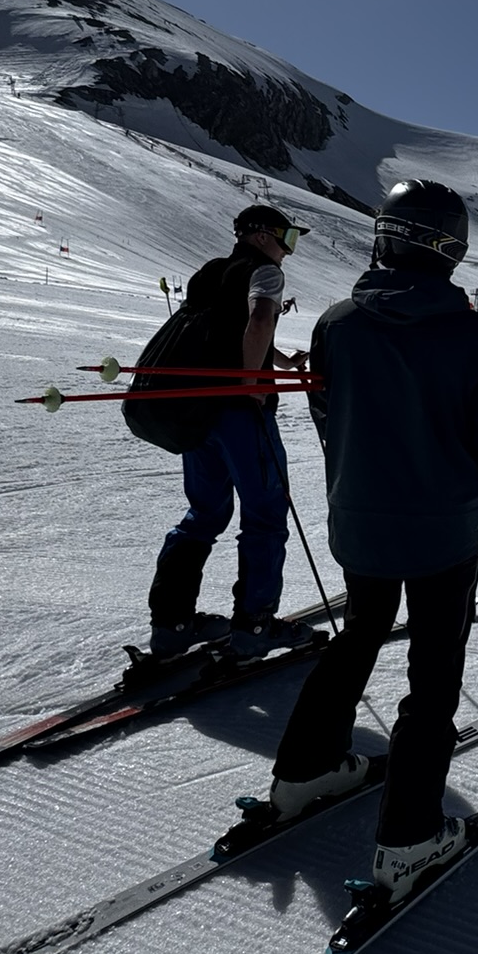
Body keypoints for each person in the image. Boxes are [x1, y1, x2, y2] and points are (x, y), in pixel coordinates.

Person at [263, 179, 478, 901]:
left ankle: (305, 768)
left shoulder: (337, 323)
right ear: (451, 250)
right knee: (432, 675)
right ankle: (409, 837)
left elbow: (325, 415)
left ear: (385, 237)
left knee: (358, 635)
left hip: (360, 521)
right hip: (444, 530)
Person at [146, 203, 312, 659]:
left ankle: (172, 623)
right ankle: (255, 625)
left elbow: (222, 329)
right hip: (241, 413)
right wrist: (253, 382)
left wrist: (278, 361)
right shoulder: (266, 273)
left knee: (204, 513)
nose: (288, 250)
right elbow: (258, 319)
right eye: (286, 238)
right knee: (265, 513)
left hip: (199, 411)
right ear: (260, 236)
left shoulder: (211, 272)